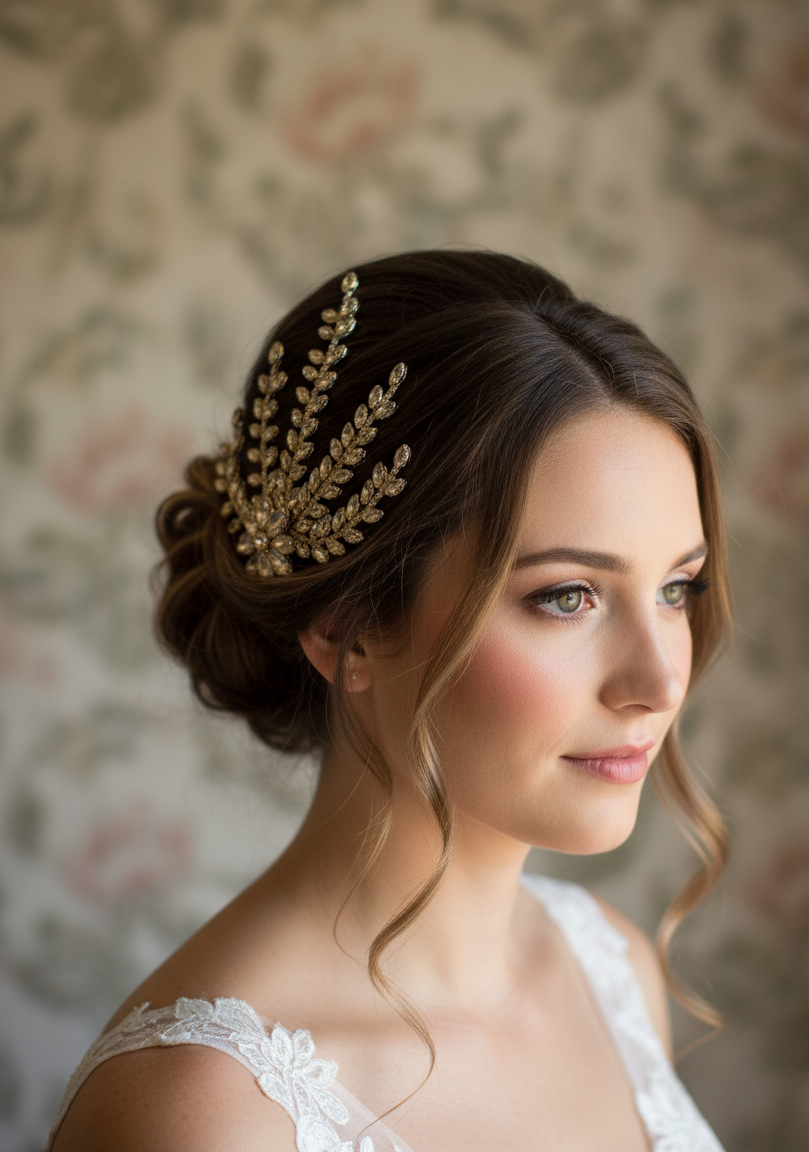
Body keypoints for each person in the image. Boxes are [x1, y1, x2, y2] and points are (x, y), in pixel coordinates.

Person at [46, 250, 731, 1151]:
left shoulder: (612, 968)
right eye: (567, 596)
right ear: (347, 627)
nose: (660, 681)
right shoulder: (204, 1114)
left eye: (678, 588)